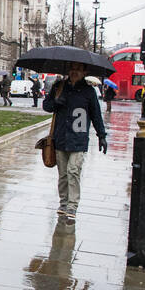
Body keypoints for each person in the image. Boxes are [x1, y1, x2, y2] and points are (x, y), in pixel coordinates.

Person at [42, 62, 108, 223]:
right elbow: (46, 106)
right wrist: (56, 103)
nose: (74, 72)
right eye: (72, 68)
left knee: (73, 171)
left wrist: (102, 135)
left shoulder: (88, 91)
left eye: (78, 69)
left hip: (78, 138)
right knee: (63, 174)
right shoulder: (59, 86)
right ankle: (63, 203)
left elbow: (96, 114)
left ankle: (72, 205)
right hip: (61, 137)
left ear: (84, 72)